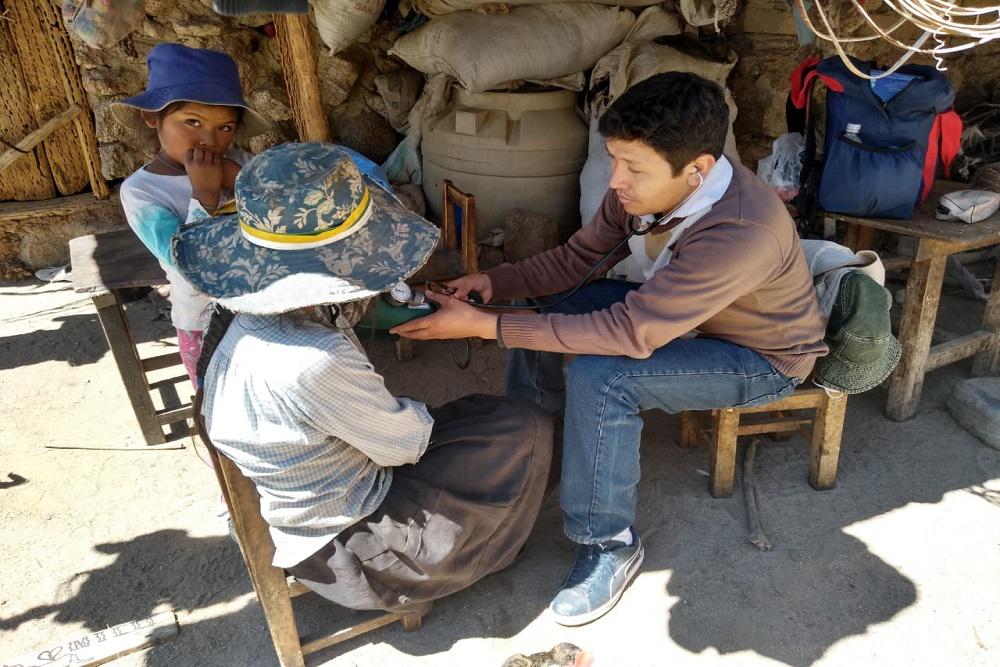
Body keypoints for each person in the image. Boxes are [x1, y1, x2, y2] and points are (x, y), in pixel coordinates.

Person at [392, 72, 829, 626]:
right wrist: (493, 286)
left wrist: (486, 327)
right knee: (536, 311)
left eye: (633, 168)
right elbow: (576, 261)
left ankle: (608, 544)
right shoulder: (647, 191)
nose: (617, 180)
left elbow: (630, 333)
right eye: (614, 160)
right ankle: (534, 466)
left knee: (605, 376)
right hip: (679, 317)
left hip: (757, 356)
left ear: (697, 169)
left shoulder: (742, 229)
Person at [172, 142, 553, 612]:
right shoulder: (316, 358)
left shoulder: (230, 313)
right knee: (524, 427)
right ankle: (492, 552)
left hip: (302, 510)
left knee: (475, 415)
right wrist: (402, 408)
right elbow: (404, 445)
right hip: (355, 554)